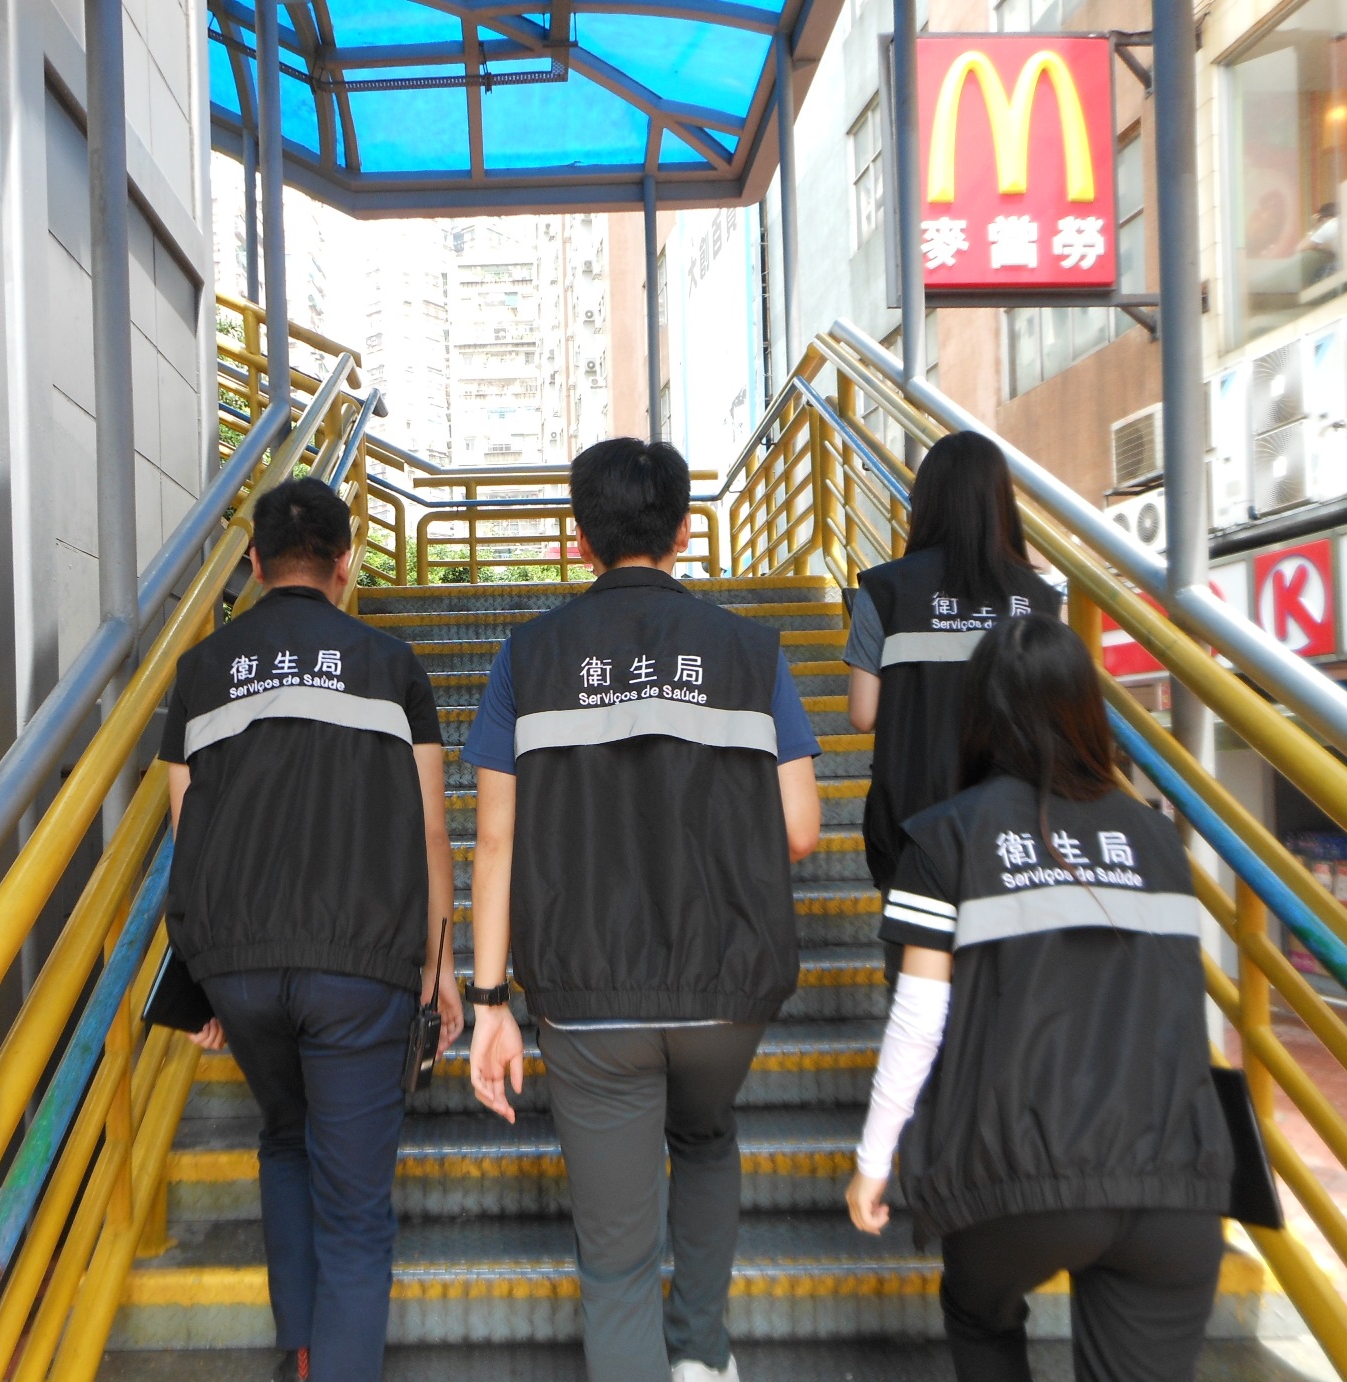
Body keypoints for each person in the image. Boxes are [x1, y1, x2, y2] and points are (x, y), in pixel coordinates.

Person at [465, 437, 823, 1382]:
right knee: (704, 1137)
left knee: (617, 1261)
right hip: (727, 986)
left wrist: (489, 1003)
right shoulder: (749, 652)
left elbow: (495, 843)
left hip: (588, 997)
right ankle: (702, 1352)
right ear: (684, 530)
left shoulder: (528, 656)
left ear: (579, 539)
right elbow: (798, 828)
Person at [845, 615, 1233, 1382]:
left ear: (978, 715)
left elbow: (918, 1020)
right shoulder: (1158, 842)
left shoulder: (946, 838)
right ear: (1087, 707)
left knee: (978, 1312)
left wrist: (873, 1160)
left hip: (1016, 1180)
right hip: (1174, 1177)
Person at [159, 477, 462, 1382]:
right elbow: (430, 830)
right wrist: (441, 967)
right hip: (361, 964)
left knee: (286, 1136)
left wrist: (201, 974)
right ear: (345, 562)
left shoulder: (201, 670)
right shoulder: (391, 666)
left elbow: (186, 827)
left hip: (240, 965)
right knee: (356, 1209)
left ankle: (298, 1352)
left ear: (253, 563)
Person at [845, 431, 1061, 898]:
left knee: (916, 945)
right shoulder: (1041, 600)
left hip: (913, 832)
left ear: (926, 502)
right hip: (1018, 834)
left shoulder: (884, 589)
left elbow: (862, 715)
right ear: (1001, 503)